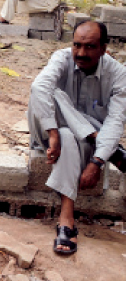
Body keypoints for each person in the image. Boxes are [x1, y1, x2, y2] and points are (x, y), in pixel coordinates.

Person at [28, 21, 126, 255]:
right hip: (49, 129)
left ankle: (66, 220)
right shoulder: (61, 58)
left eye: (90, 47)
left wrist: (96, 162)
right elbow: (39, 88)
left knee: (67, 135)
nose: (81, 53)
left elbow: (116, 120)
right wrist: (52, 133)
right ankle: (98, 138)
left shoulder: (118, 74)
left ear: (104, 48)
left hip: (77, 143)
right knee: (49, 91)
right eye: (77, 45)